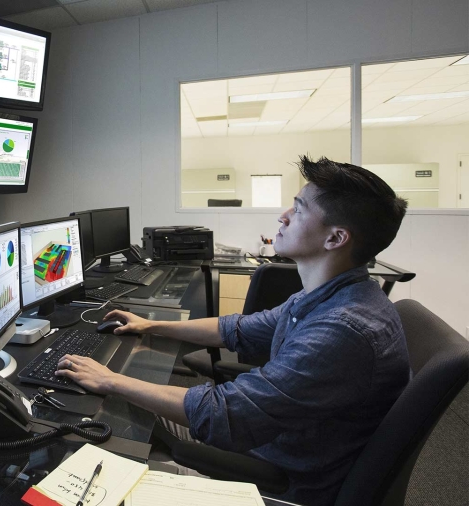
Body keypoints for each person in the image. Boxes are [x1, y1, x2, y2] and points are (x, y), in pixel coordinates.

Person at [55, 155, 411, 505]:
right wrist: (152, 325)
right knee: (128, 408)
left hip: (280, 472)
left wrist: (110, 380)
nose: (283, 217)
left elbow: (223, 415)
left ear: (335, 238)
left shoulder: (341, 331)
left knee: (107, 427)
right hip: (277, 438)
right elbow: (238, 328)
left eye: (299, 210)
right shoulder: (333, 297)